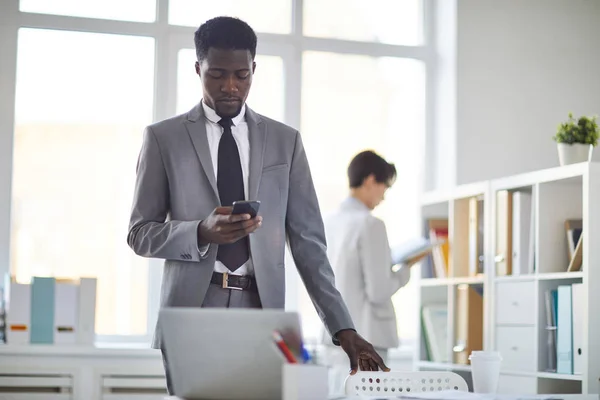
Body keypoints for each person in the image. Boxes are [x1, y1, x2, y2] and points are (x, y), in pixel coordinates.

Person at [127, 16, 387, 395]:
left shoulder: (286, 142)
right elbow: (139, 234)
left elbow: (309, 246)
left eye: (241, 75)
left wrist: (342, 328)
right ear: (198, 68)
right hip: (192, 310)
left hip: (263, 311)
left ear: (253, 70)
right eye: (216, 74)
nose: (230, 86)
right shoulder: (163, 138)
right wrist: (200, 230)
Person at [322, 150, 414, 392]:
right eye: (385, 186)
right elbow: (378, 292)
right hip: (367, 339)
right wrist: (404, 272)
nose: (383, 196)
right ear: (371, 180)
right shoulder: (371, 224)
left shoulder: (328, 222)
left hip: (335, 336)